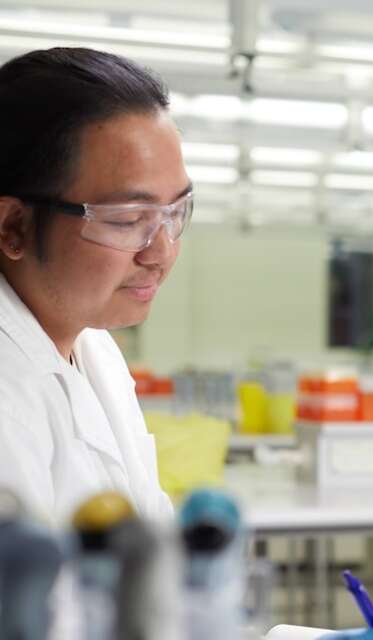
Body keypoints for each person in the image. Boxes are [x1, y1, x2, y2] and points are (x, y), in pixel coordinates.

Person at [0, 47, 190, 530]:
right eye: (128, 220)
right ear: (12, 227)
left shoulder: (93, 347)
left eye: (175, 212)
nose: (161, 252)